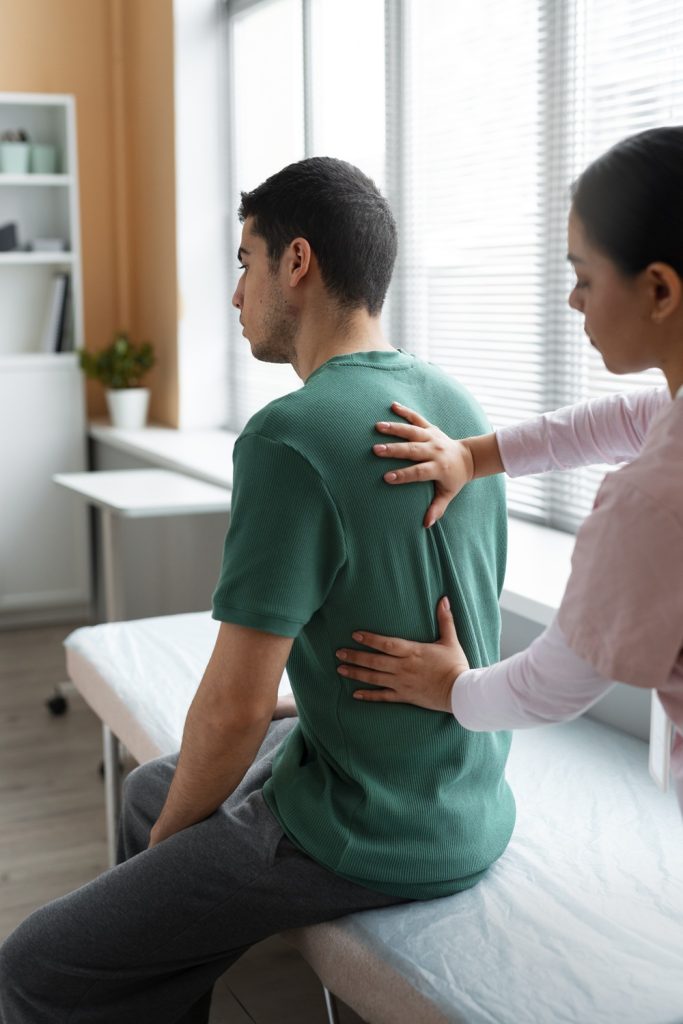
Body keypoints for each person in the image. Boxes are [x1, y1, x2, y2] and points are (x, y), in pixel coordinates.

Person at [0, 157, 516, 1024]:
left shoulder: (289, 436)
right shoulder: (454, 405)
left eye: (246, 263)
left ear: (297, 262)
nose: (237, 295)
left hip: (374, 829)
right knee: (145, 790)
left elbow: (235, 708)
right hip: (466, 796)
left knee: (32, 964)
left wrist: (162, 866)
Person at [334, 127, 683, 816]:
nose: (572, 301)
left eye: (584, 278)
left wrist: (450, 688)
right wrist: (473, 456)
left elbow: (556, 683)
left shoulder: (651, 499)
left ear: (659, 289)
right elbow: (617, 422)